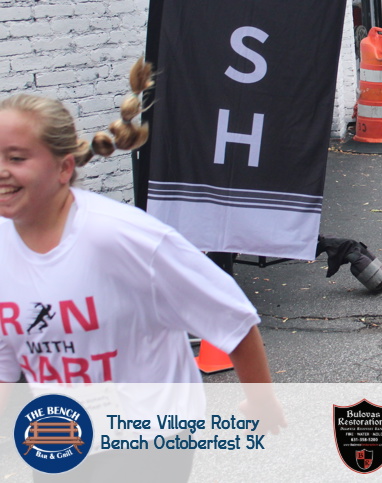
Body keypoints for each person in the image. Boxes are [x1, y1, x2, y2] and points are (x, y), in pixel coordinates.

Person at [0, 89, 285, 478]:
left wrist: (261, 401)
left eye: (17, 158)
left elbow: (231, 316)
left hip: (146, 441)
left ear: (64, 168)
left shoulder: (120, 236)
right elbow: (8, 357)